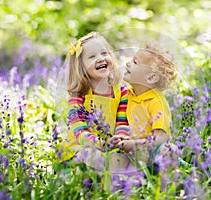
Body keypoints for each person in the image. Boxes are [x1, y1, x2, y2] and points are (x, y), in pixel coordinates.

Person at [59, 32, 130, 171]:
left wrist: (120, 138)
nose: (100, 58)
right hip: (81, 148)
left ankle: (113, 185)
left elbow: (123, 122)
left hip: (110, 146)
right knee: (92, 157)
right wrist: (101, 144)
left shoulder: (121, 93)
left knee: (124, 158)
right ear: (81, 67)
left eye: (104, 53)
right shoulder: (78, 97)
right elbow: (79, 131)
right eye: (92, 56)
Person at [109, 42, 179, 174]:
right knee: (115, 158)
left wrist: (136, 144)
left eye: (135, 62)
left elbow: (160, 138)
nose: (128, 64)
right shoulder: (127, 94)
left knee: (169, 150)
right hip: (133, 152)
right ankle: (124, 189)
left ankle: (166, 186)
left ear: (151, 77)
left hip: (152, 152)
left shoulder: (156, 102)